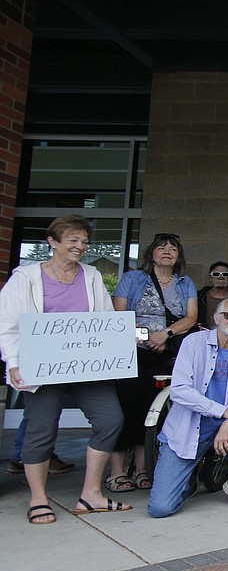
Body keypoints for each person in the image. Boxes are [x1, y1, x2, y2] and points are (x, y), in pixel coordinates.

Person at [0, 214, 130, 524]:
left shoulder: (92, 276)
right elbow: (8, 325)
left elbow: (103, 320)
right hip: (41, 368)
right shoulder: (26, 278)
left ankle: (91, 495)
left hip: (86, 366)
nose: (81, 246)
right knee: (41, 429)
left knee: (111, 419)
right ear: (53, 242)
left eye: (84, 241)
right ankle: (38, 498)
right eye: (73, 240)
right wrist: (15, 363)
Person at [147, 297, 228, 517]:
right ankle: (188, 480)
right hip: (189, 429)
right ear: (216, 318)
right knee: (161, 509)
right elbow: (179, 390)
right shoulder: (193, 343)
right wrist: (223, 411)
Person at [112, 232, 199, 491]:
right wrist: (146, 337)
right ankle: (116, 471)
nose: (167, 251)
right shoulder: (132, 279)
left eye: (172, 248)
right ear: (151, 253)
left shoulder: (184, 283)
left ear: (178, 256)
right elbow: (119, 315)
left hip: (165, 352)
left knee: (150, 409)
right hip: (133, 352)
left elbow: (191, 317)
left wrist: (164, 335)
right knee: (125, 408)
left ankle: (141, 468)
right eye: (161, 247)